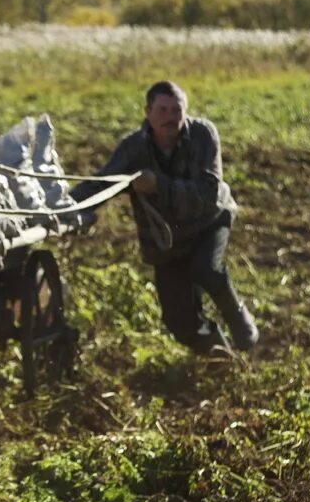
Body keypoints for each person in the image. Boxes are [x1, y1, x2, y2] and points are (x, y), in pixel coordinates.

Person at [71, 81, 258, 355]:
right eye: (162, 110)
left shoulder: (203, 135)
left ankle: (238, 316)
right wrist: (68, 206)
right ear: (148, 112)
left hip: (209, 221)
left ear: (185, 111)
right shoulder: (133, 148)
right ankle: (219, 355)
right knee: (179, 322)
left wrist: (159, 184)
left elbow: (208, 194)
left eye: (176, 110)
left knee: (205, 268)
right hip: (166, 238)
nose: (170, 117)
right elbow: (102, 183)